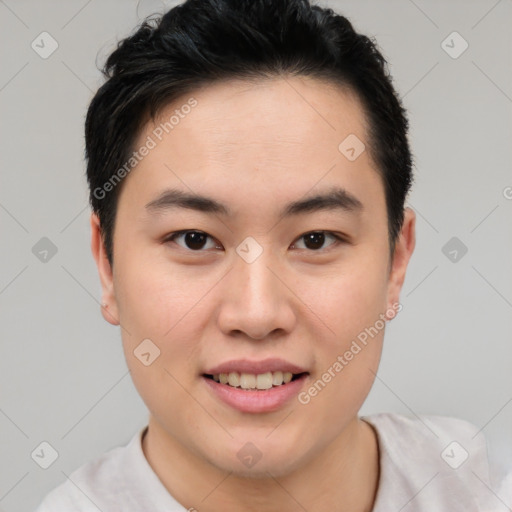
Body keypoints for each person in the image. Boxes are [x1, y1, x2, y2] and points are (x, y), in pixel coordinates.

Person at [34, 0, 505, 510]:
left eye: (316, 239)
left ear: (397, 261)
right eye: (194, 239)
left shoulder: (476, 488)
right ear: (106, 266)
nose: (257, 315)